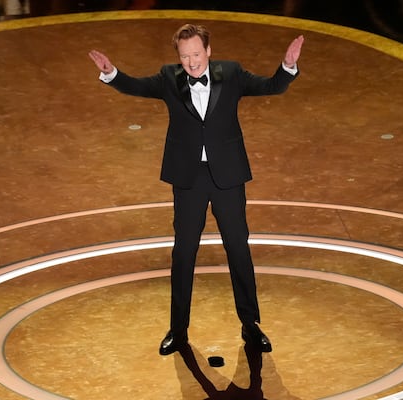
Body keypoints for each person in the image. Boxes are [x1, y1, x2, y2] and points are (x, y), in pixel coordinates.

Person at [89, 24, 303, 356]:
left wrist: (288, 66)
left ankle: (250, 325)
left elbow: (271, 86)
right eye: (185, 56)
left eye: (196, 54)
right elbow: (136, 86)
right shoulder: (168, 78)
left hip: (228, 177)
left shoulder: (230, 73)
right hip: (189, 179)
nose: (191, 62)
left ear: (208, 51)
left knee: (238, 250)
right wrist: (111, 73)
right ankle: (177, 329)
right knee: (183, 253)